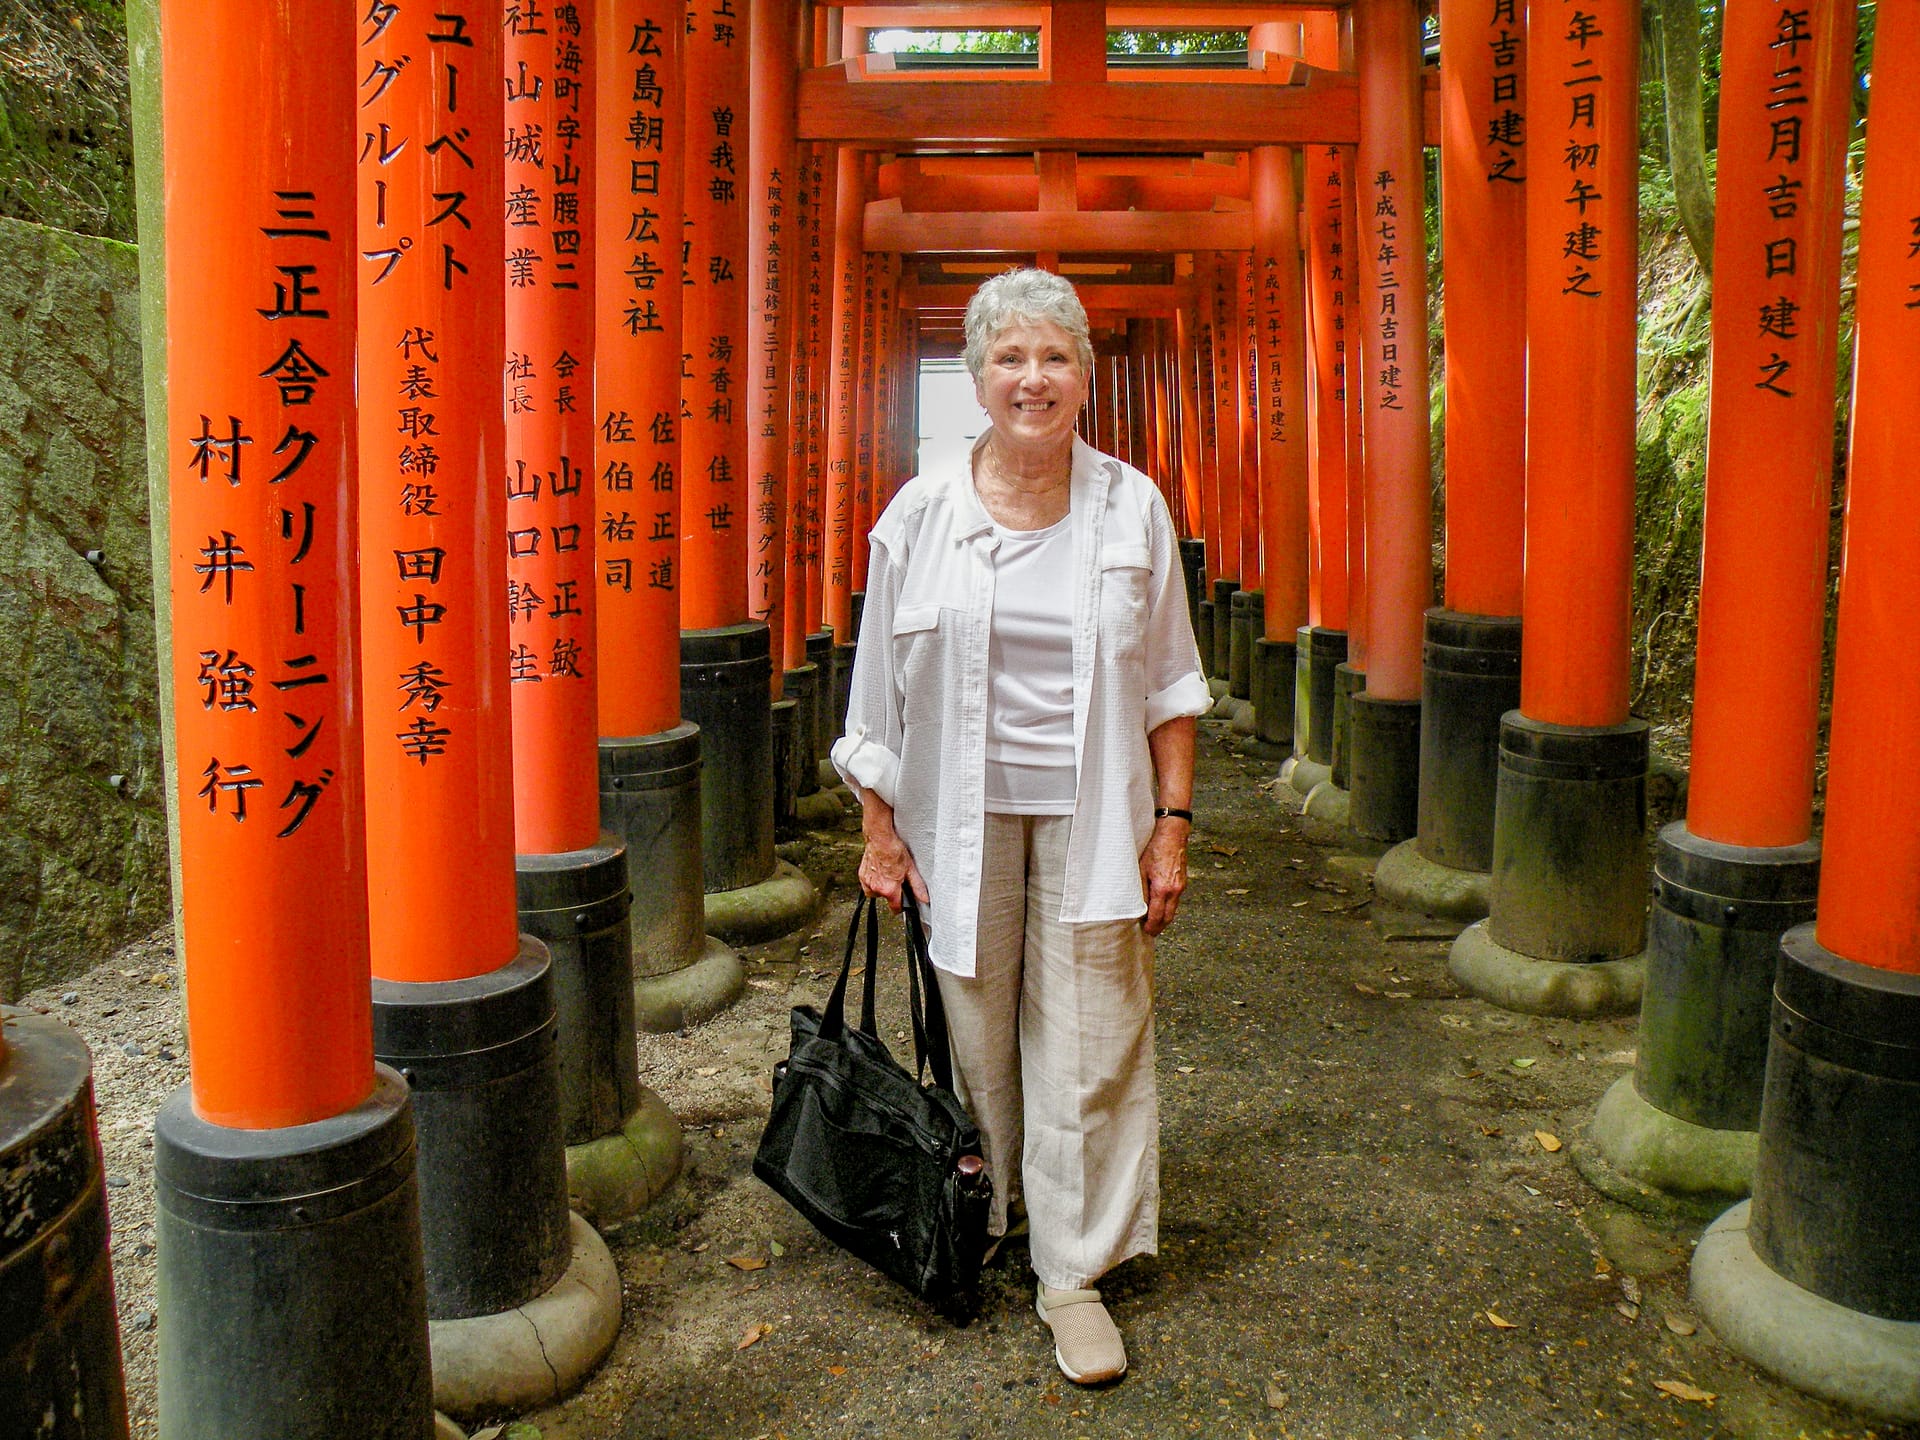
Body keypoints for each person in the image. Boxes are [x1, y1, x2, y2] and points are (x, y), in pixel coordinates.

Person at [831, 268, 1210, 1385]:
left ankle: (1071, 1271)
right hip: (959, 819)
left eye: (1054, 359)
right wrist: (880, 831)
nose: (1031, 379)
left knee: (1090, 1035)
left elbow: (1171, 685)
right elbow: (875, 696)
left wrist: (1172, 827)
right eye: (1009, 358)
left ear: (1085, 377)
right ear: (979, 378)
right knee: (980, 1025)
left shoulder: (1132, 505)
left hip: (1097, 818)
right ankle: (988, 1207)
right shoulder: (921, 515)